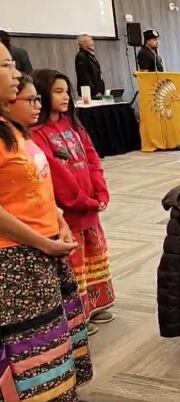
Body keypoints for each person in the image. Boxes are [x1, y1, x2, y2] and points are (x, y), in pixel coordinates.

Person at [0, 43, 93, 402]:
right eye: (6, 65)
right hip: (18, 258)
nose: (15, 72)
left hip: (45, 246)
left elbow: (36, 182)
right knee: (34, 344)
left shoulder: (17, 130)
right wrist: (42, 242)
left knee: (56, 335)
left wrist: (57, 219)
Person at [31, 68, 116, 335]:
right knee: (75, 264)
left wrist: (101, 193)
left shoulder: (73, 125)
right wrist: (83, 201)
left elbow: (92, 158)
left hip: (90, 208)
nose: (66, 96)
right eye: (58, 91)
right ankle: (78, 315)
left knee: (94, 256)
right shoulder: (37, 133)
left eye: (67, 91)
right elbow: (57, 175)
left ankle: (95, 305)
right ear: (43, 94)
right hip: (70, 214)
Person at [75, 34, 105, 98]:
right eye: (89, 40)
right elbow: (84, 77)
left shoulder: (90, 55)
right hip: (90, 94)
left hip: (98, 92)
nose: (92, 42)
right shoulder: (81, 56)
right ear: (83, 43)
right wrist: (93, 91)